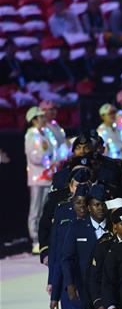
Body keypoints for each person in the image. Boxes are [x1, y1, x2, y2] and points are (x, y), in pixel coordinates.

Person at [25, 106, 53, 253]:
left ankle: (44, 237)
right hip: (37, 178)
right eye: (41, 117)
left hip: (48, 177)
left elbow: (52, 151)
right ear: (34, 120)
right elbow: (34, 156)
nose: (44, 118)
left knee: (45, 209)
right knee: (35, 210)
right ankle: (35, 239)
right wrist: (46, 156)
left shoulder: (46, 133)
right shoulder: (31, 135)